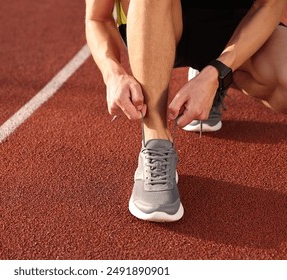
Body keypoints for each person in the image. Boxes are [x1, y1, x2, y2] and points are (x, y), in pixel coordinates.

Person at [85, 0, 287, 222]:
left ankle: (210, 79)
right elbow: (97, 18)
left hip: (233, 26)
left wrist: (216, 74)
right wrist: (112, 73)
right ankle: (155, 143)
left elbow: (270, 5)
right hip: (154, 21)